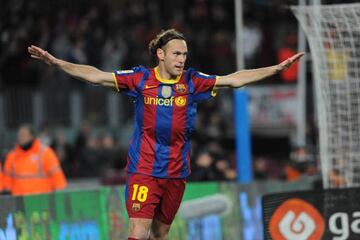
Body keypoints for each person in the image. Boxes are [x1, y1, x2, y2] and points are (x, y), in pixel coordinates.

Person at [28, 29, 303, 240]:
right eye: (176, 54)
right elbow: (96, 75)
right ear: (161, 54)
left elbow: (234, 78)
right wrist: (56, 63)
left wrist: (275, 70)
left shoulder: (193, 81)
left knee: (160, 234)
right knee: (139, 229)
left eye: (184, 55)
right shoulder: (139, 79)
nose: (182, 60)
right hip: (144, 167)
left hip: (175, 170)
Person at [3, 124, 67, 196]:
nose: (20, 137)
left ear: (31, 136)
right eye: (19, 135)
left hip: (42, 201)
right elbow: (7, 181)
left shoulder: (45, 153)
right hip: (19, 202)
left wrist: (60, 197)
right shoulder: (12, 156)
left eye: (23, 134)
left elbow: (58, 179)